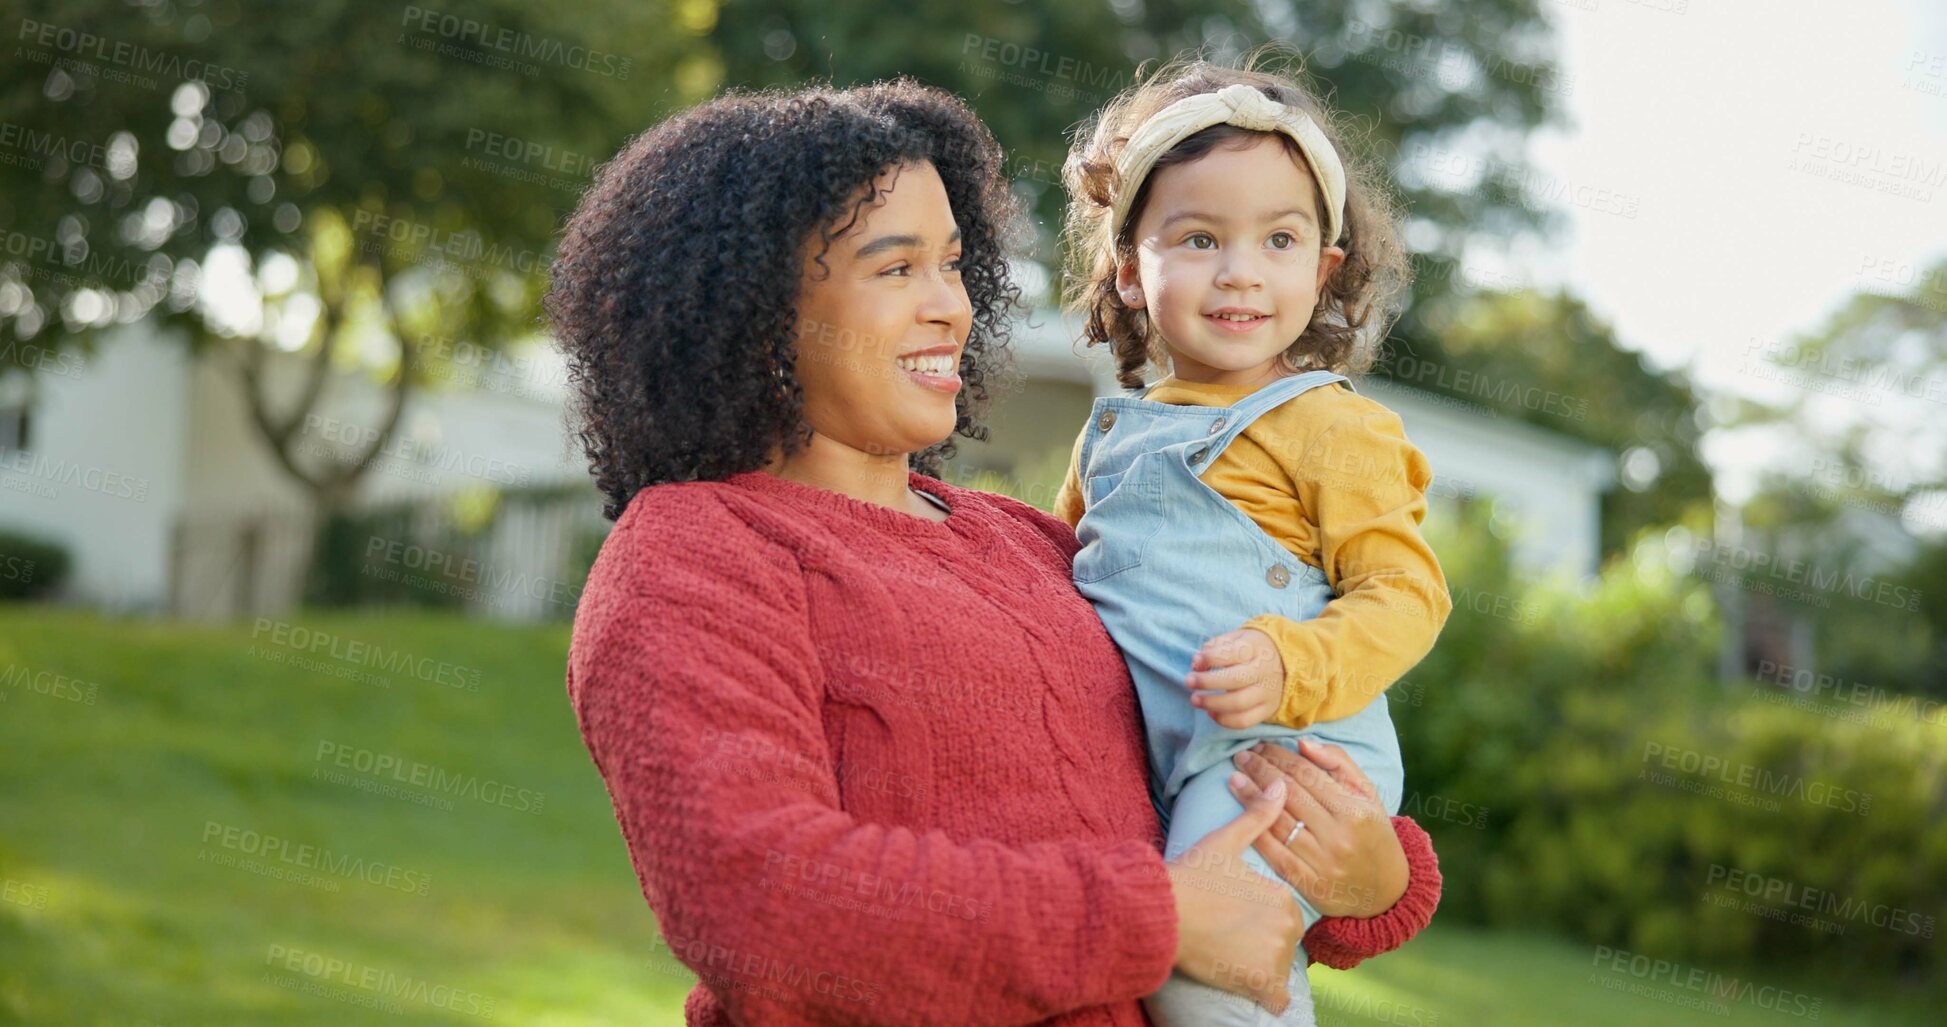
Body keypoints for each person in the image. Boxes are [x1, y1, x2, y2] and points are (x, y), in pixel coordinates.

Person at [547, 78, 1441, 1027]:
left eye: (954, 264)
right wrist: (1157, 917)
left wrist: (1375, 878)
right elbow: (757, 897)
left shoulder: (1036, 545)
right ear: (753, 306)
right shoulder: (695, 555)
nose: (951, 308)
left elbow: (1202, 787)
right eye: (896, 270)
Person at [1052, 58, 1454, 1026]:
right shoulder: (1113, 433)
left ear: (1322, 270)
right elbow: (1053, 575)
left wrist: (1292, 659)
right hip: (1174, 754)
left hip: (1282, 751)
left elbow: (1407, 594)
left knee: (1204, 970)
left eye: (1279, 239)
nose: (1241, 271)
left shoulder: (1330, 426)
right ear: (1128, 270)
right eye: (1198, 238)